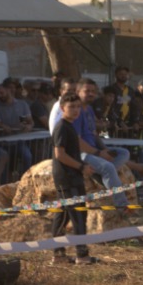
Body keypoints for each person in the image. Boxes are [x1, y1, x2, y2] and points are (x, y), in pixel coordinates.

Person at [49, 95, 95, 265]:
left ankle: (58, 255)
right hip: (67, 178)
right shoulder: (61, 127)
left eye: (78, 106)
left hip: (72, 177)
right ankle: (82, 255)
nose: (75, 110)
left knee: (62, 216)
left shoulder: (70, 126)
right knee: (78, 215)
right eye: (72, 106)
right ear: (62, 108)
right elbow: (59, 154)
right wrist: (81, 167)